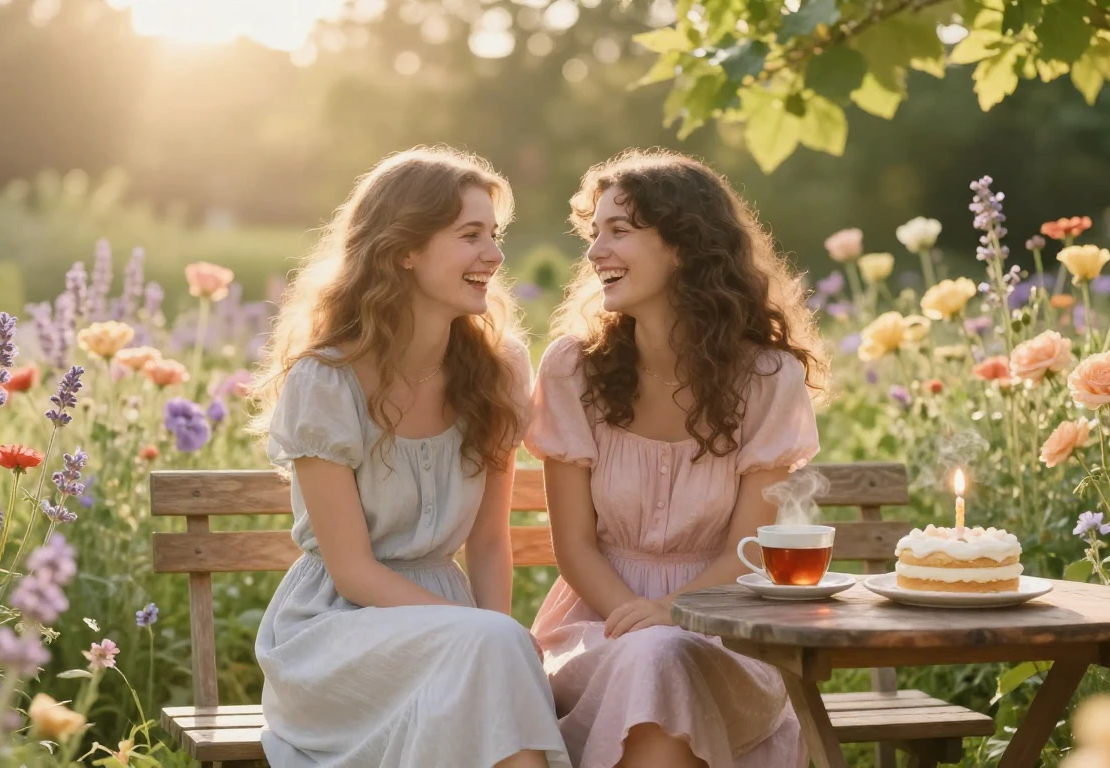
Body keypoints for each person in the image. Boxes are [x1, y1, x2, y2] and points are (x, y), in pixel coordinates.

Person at [247, 146, 570, 768]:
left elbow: (488, 542)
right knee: (499, 685)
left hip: (455, 630)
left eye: (494, 236)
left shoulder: (498, 369)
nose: (495, 256)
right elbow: (353, 572)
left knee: (500, 714)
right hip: (336, 634)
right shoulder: (326, 380)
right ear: (405, 251)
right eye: (470, 235)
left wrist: (490, 644)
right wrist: (487, 638)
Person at [526, 149, 825, 768]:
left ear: (685, 246)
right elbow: (575, 547)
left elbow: (748, 548)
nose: (594, 252)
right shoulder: (572, 370)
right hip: (596, 630)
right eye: (594, 232)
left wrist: (673, 614)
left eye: (620, 231)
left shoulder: (768, 378)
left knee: (663, 659)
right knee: (654, 658)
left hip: (725, 629)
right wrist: (645, 623)